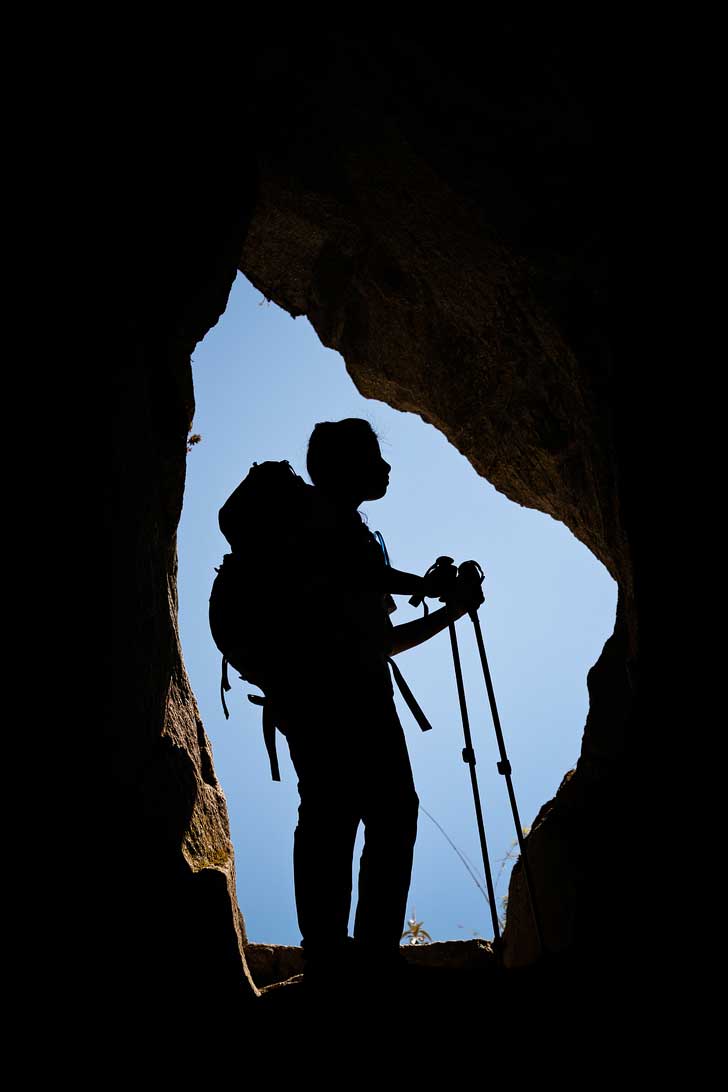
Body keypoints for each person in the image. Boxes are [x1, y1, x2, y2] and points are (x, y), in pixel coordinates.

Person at [268, 418, 483, 985]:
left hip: (327, 698)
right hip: (345, 698)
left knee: (343, 815)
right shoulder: (321, 526)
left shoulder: (349, 535)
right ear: (343, 468)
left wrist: (446, 607)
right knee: (363, 815)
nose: (386, 469)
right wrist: (438, 593)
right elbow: (363, 580)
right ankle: (357, 958)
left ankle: (341, 956)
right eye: (373, 458)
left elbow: (383, 638)